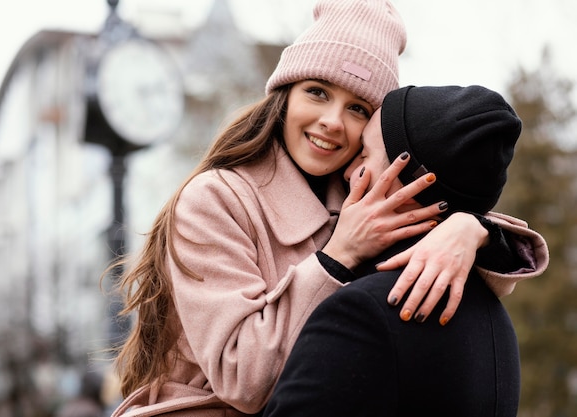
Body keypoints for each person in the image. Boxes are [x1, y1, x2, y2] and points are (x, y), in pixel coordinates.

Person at [109, 1, 549, 416]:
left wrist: (469, 229)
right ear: (284, 95)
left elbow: (458, 222)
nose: (333, 122)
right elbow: (241, 378)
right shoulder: (216, 199)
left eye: (357, 107)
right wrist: (336, 258)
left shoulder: (361, 197)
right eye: (317, 92)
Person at [262, 84, 530, 417]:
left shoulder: (362, 311)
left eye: (364, 155)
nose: (346, 172)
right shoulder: (496, 321)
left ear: (413, 182)